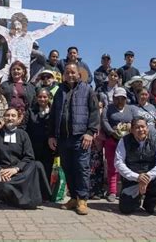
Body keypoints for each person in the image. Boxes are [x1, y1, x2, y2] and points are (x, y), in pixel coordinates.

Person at [48, 62, 99, 215]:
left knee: (81, 168)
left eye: (73, 72)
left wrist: (90, 132)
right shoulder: (59, 91)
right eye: (67, 72)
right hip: (63, 138)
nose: (70, 75)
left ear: (78, 74)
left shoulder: (87, 90)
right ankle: (74, 198)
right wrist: (52, 135)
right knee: (67, 168)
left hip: (81, 137)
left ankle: (83, 199)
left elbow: (95, 112)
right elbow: (53, 114)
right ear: (64, 74)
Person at [0, 7, 68, 80]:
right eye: (14, 26)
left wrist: (60, 23)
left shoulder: (30, 36)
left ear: (23, 25)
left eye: (19, 26)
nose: (16, 29)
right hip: (9, 70)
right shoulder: (9, 35)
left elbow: (46, 30)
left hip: (25, 71)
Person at [0, 107, 51, 209]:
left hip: (20, 172)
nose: (10, 118)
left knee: (37, 165)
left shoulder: (23, 135)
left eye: (13, 116)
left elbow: (29, 157)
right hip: (3, 175)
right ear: (3, 118)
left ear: (18, 119)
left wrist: (16, 169)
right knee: (5, 187)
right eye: (7, 115)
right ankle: (22, 199)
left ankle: (32, 199)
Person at [115, 117, 156, 216]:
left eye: (143, 127)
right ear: (131, 130)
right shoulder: (123, 141)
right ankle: (136, 199)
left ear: (147, 128)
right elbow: (118, 163)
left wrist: (146, 177)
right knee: (125, 209)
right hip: (131, 180)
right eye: (137, 127)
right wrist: (137, 177)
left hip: (150, 179)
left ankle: (149, 205)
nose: (141, 130)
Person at [102, 87, 134, 202]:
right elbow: (104, 121)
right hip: (112, 140)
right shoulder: (108, 108)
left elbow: (135, 120)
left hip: (127, 142)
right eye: (117, 98)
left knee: (126, 166)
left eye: (122, 98)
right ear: (113, 98)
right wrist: (112, 131)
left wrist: (131, 126)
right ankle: (112, 191)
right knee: (112, 167)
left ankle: (126, 191)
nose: (120, 100)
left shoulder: (130, 109)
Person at [26, 88, 54, 181]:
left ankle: (46, 193)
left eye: (45, 97)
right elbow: (25, 128)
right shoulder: (30, 111)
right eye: (40, 97)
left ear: (49, 97)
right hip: (33, 147)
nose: (42, 99)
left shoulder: (54, 111)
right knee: (33, 171)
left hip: (49, 148)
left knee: (47, 171)